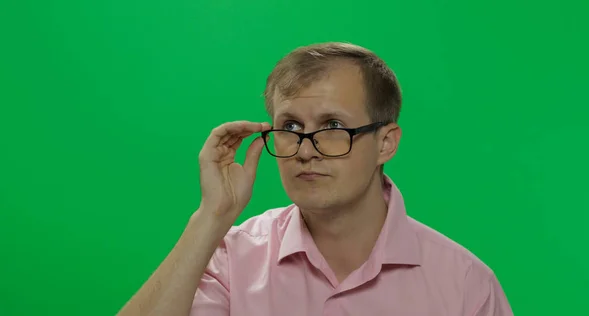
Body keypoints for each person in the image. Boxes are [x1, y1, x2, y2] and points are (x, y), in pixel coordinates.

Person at [117, 42, 513, 316]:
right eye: (290, 125)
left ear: (386, 143)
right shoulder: (231, 260)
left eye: (333, 125)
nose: (306, 149)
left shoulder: (463, 284)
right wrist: (211, 217)